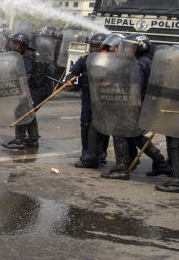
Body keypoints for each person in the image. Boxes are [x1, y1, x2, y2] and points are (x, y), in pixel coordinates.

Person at [101, 33, 170, 180]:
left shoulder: (138, 64)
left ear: (140, 48)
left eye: (130, 48)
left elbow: (133, 86)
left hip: (132, 105)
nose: (126, 50)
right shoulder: (149, 60)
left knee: (119, 131)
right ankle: (160, 162)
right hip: (144, 104)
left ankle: (121, 167)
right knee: (135, 136)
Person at [2, 31, 51, 150]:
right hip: (33, 88)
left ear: (23, 45)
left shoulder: (27, 57)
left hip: (40, 89)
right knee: (29, 111)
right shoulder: (20, 55)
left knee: (22, 111)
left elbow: (24, 76)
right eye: (12, 43)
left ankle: (20, 139)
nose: (13, 46)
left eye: (16, 44)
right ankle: (33, 139)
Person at [69, 31, 108, 168]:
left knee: (102, 126)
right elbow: (73, 73)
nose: (93, 49)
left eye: (97, 47)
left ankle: (101, 153)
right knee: (85, 124)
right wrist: (69, 80)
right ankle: (86, 153)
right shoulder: (84, 59)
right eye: (92, 46)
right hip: (87, 96)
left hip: (104, 98)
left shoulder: (110, 61)